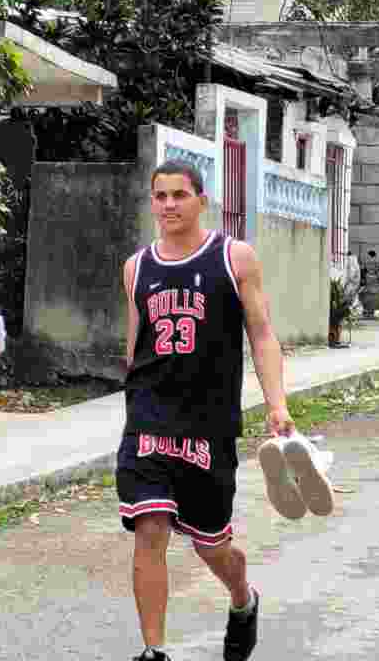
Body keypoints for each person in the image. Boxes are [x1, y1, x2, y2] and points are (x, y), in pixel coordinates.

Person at [117, 160, 294, 661]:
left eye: (179, 195)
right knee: (149, 528)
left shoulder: (234, 258)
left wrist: (276, 404)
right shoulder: (137, 268)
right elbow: (135, 347)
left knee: (210, 545)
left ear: (202, 200)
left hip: (208, 426)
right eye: (160, 196)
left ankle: (243, 598)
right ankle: (154, 652)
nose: (168, 205)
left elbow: (261, 334)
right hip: (148, 421)